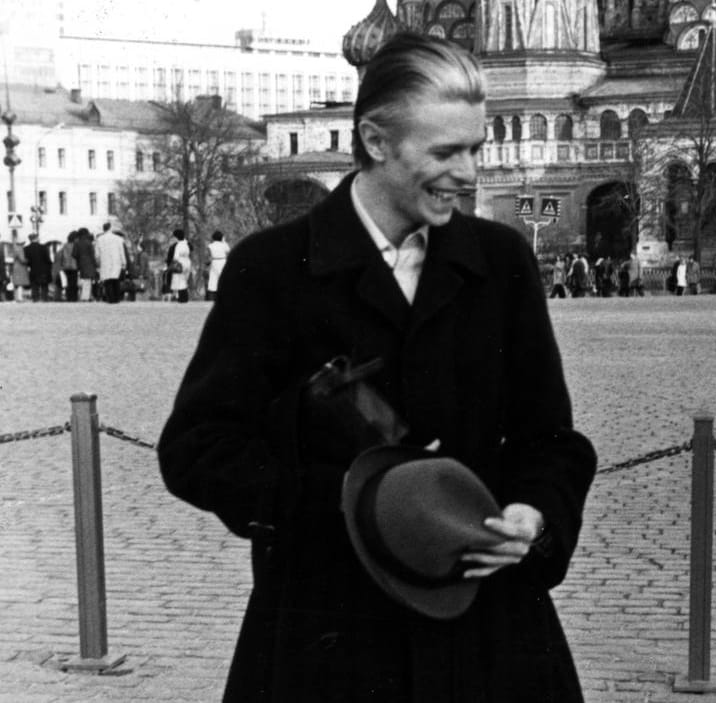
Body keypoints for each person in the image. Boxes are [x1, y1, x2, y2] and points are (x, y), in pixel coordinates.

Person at [157, 32, 596, 702]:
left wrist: (535, 515)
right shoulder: (272, 268)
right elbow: (197, 448)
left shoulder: (502, 261)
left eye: (476, 148)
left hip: (485, 629)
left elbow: (551, 440)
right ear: (375, 139)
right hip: (324, 633)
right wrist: (348, 508)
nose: (471, 173)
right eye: (446, 151)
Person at [95, 223, 128, 304]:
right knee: (115, 280)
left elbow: (97, 254)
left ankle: (110, 298)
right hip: (116, 261)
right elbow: (121, 251)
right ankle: (117, 298)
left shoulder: (99, 239)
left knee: (107, 280)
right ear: (110, 228)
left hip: (105, 261)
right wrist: (124, 262)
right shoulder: (118, 239)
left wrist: (98, 262)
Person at [23, 232, 52, 302]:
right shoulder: (43, 247)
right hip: (44, 270)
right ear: (36, 238)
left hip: (33, 270)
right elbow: (48, 259)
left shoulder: (26, 249)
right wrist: (49, 267)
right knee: (44, 285)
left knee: (34, 285)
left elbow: (27, 261)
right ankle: (44, 299)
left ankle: (35, 299)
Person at [73, 228, 98, 302]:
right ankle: (85, 297)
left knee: (84, 280)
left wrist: (79, 258)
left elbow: (74, 254)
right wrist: (95, 264)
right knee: (88, 280)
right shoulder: (89, 242)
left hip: (81, 263)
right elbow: (92, 254)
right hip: (89, 263)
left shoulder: (77, 243)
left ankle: (87, 296)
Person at [168, 229, 192, 303]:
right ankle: (185, 297)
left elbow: (176, 257)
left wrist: (171, 264)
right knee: (184, 280)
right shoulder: (186, 244)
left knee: (179, 281)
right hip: (187, 262)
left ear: (176, 237)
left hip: (180, 263)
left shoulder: (178, 245)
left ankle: (182, 298)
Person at [206, 230, 231, 301]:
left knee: (213, 280)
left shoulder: (210, 246)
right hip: (223, 261)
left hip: (214, 262)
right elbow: (228, 251)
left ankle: (211, 299)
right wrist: (224, 241)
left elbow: (208, 256)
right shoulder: (224, 245)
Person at [60, 231, 80, 301]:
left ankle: (69, 297)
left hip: (66, 266)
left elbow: (63, 256)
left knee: (68, 282)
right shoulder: (76, 245)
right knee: (74, 283)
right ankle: (74, 298)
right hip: (74, 266)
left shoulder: (65, 245)